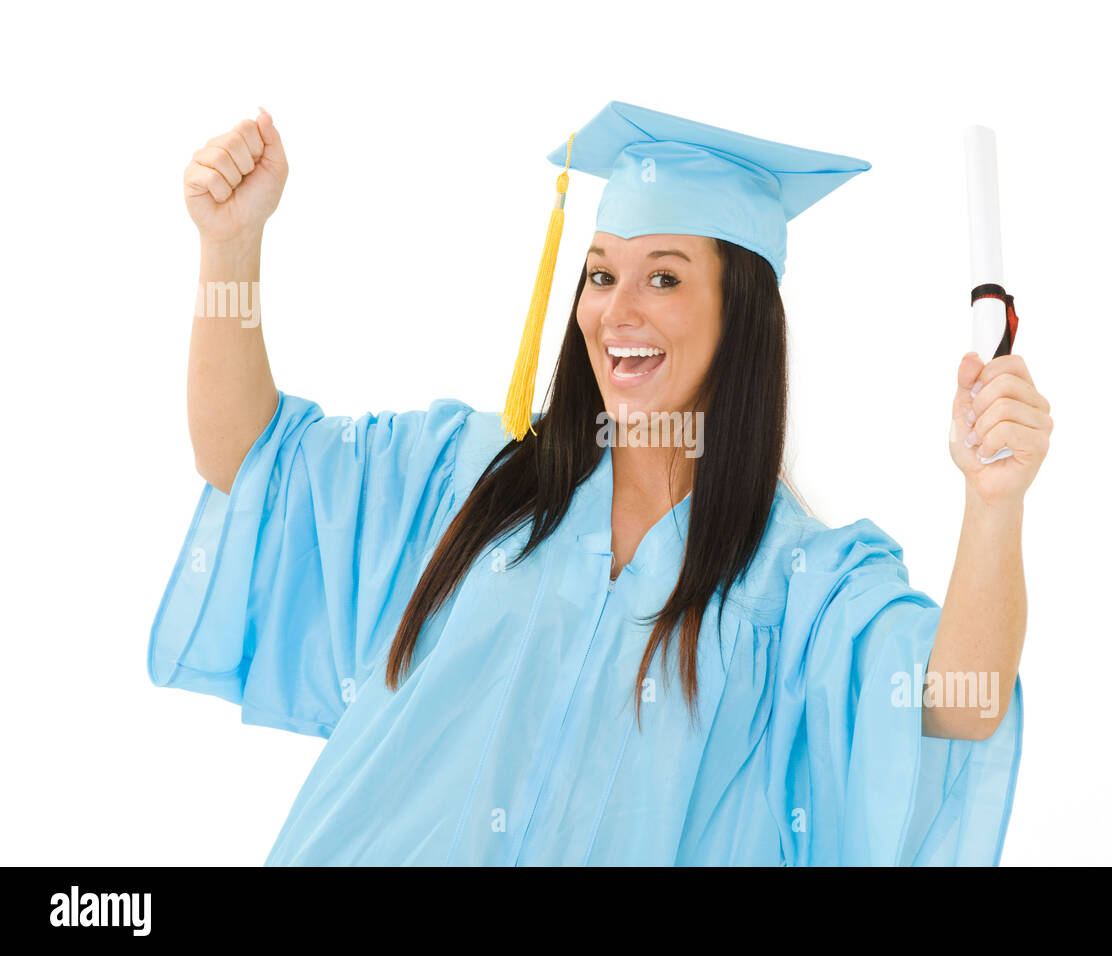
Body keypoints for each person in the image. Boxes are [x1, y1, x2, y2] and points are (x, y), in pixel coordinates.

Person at [151, 101, 1052, 866]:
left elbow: (962, 705)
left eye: (664, 277)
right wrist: (229, 250)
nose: (616, 311)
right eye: (601, 274)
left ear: (739, 310)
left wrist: (993, 502)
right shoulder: (464, 477)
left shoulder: (797, 583)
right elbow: (247, 455)